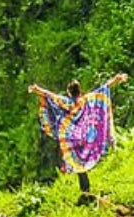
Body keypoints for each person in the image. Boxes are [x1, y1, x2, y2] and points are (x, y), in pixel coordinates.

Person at [27, 73, 128, 202]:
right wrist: (117, 79)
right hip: (86, 137)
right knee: (83, 162)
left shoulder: (66, 102)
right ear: (79, 91)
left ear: (69, 92)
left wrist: (36, 89)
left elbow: (49, 95)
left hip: (72, 140)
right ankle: (86, 191)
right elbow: (104, 87)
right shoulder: (87, 100)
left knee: (78, 166)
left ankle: (85, 191)